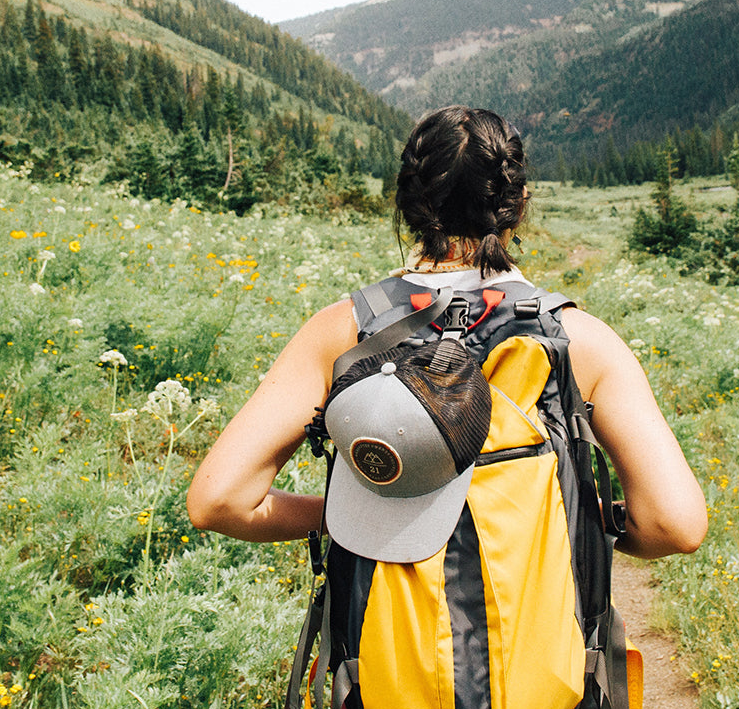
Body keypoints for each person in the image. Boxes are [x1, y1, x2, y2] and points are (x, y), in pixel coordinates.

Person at [188, 104, 706, 561]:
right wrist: (580, 520)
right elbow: (674, 525)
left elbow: (220, 500)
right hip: (545, 667)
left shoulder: (343, 330)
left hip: (381, 666)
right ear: (519, 204)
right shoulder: (579, 338)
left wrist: (344, 518)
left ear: (407, 205)